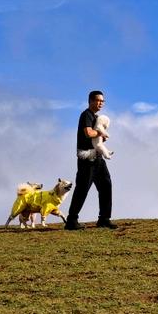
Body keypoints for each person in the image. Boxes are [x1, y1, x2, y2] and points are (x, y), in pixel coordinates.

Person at [65, 90, 115, 229]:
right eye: (98, 100)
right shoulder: (86, 114)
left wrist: (102, 137)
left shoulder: (97, 117)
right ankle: (71, 221)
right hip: (86, 158)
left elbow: (97, 137)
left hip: (98, 157)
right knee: (82, 188)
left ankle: (104, 219)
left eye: (102, 101)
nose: (101, 103)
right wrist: (100, 132)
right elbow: (88, 133)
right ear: (91, 101)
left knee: (106, 186)